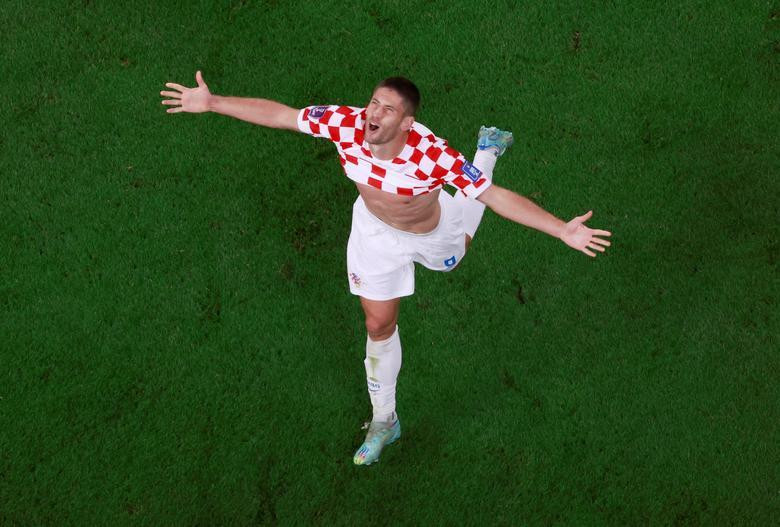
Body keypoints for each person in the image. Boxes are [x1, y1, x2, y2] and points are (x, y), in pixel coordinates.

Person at [160, 72, 611, 466]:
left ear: (407, 123)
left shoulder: (432, 155)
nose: (373, 114)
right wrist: (213, 102)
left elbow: (493, 198)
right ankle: (384, 421)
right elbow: (282, 115)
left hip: (430, 232)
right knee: (378, 323)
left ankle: (487, 150)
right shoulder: (344, 123)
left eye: (387, 109)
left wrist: (560, 230)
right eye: (373, 102)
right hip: (374, 232)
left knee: (460, 247)